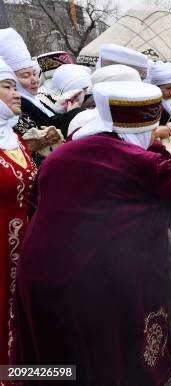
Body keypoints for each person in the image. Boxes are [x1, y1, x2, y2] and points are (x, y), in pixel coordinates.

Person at [10, 80, 171, 385]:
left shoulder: (61, 155)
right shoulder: (143, 162)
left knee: (57, 352)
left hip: (38, 273)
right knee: (109, 353)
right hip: (96, 279)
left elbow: (36, 204)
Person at [0, 57, 36, 366]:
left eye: (16, 86)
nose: (16, 94)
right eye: (8, 86)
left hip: (23, 242)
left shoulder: (15, 138)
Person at [0, 28, 83, 139]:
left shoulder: (35, 100)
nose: (34, 80)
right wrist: (72, 112)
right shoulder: (16, 108)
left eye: (34, 73)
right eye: (26, 76)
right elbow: (48, 131)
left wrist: (61, 109)